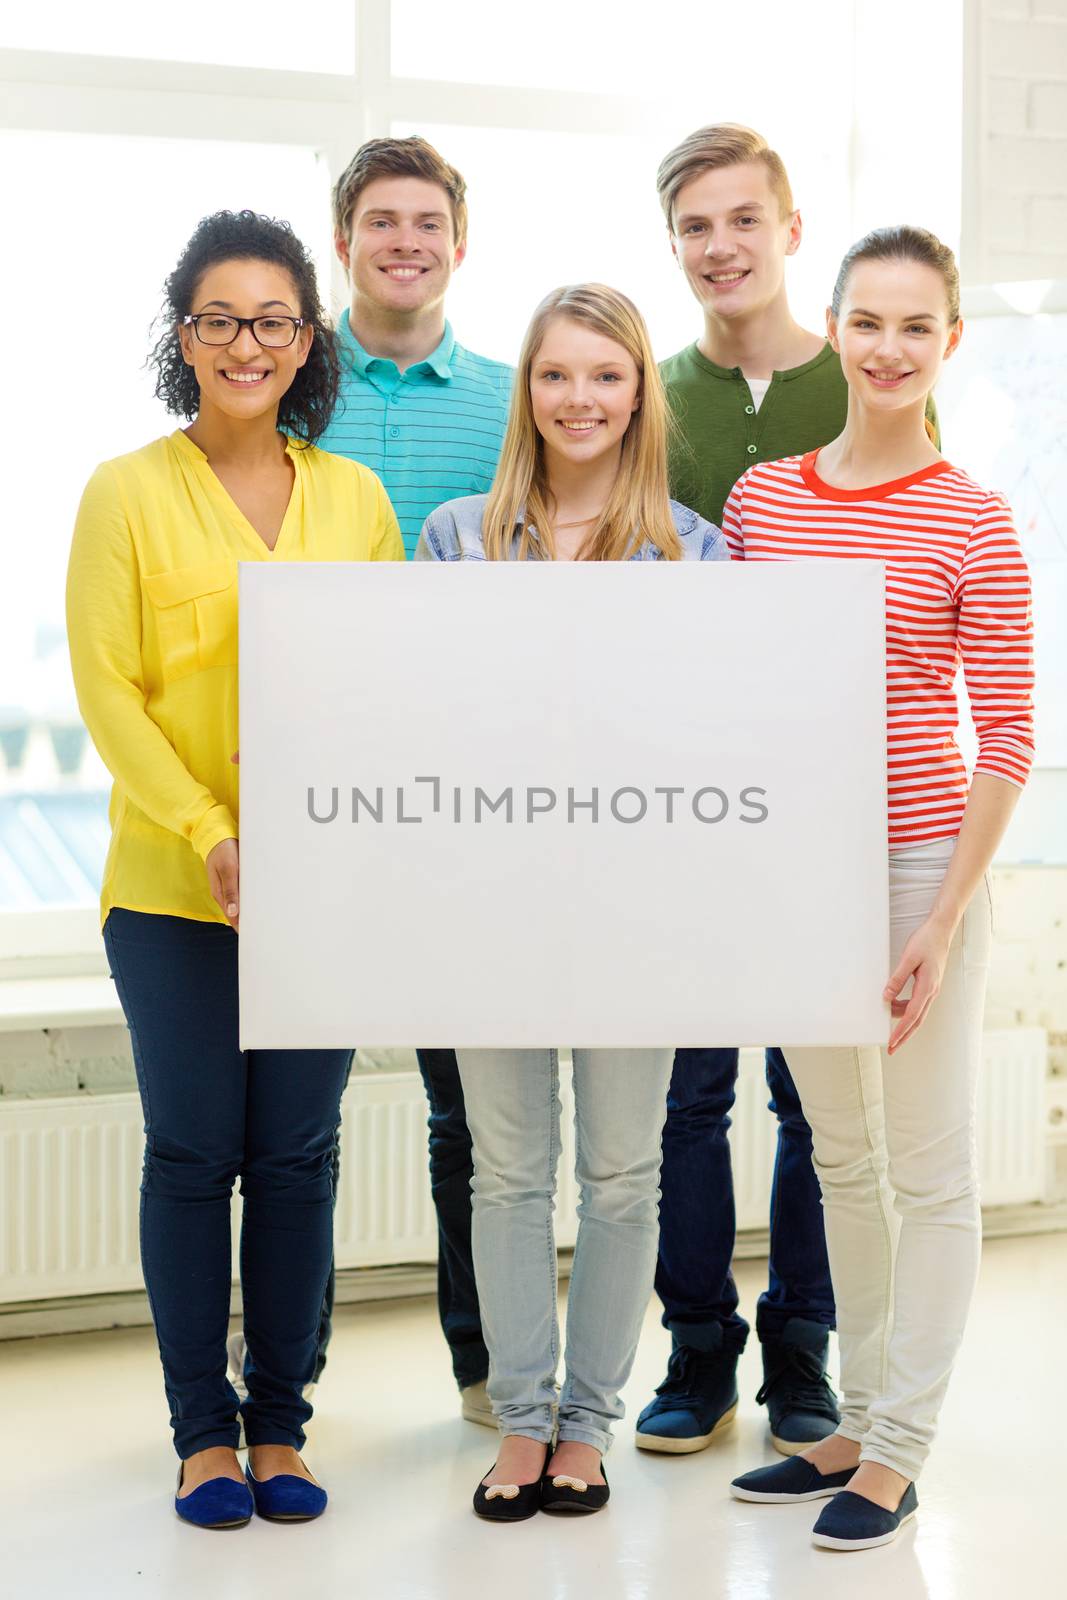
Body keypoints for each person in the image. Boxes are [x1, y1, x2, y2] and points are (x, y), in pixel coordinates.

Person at [66, 211, 403, 1530]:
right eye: (218, 318)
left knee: (301, 1157)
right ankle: (202, 1435)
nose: (245, 342)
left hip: (324, 895)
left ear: (306, 338)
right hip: (171, 892)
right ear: (183, 335)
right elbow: (110, 693)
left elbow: (379, 692)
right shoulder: (125, 493)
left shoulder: (355, 500)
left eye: (271, 319)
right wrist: (210, 828)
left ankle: (281, 1426)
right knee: (194, 1154)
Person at [727, 226, 1033, 1550]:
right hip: (795, 867)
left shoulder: (973, 518)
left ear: (945, 343)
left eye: (916, 326)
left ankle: (898, 1450)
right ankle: (852, 1422)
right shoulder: (761, 504)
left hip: (918, 869)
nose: (888, 348)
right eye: (868, 321)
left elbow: (1004, 735)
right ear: (833, 328)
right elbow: (724, 704)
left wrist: (939, 918)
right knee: (838, 1161)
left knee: (926, 1169)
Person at [636, 123, 938, 1459]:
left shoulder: (867, 375)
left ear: (788, 231)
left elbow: (929, 547)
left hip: (835, 815)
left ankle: (799, 1358)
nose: (719, 248)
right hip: (689, 807)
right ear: (674, 248)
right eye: (694, 228)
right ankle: (695, 1351)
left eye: (740, 221)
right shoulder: (648, 395)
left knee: (815, 1106)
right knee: (688, 1095)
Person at [416, 283, 728, 1520]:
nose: (580, 399)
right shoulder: (453, 537)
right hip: (486, 903)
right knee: (504, 1173)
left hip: (632, 910)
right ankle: (518, 1416)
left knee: (620, 1175)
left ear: (639, 392)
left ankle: (585, 1425)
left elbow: (707, 739)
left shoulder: (689, 550)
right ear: (526, 393)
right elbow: (429, 722)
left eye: (606, 375)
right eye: (557, 375)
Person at [307, 135, 512, 1423]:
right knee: (296, 1112)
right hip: (310, 777)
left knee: (465, 1110)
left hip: (463, 794)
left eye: (426, 222)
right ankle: (286, 1385)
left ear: (457, 241)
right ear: (343, 241)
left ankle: (483, 1363)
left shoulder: (508, 397)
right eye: (380, 221)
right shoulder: (281, 380)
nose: (404, 241)